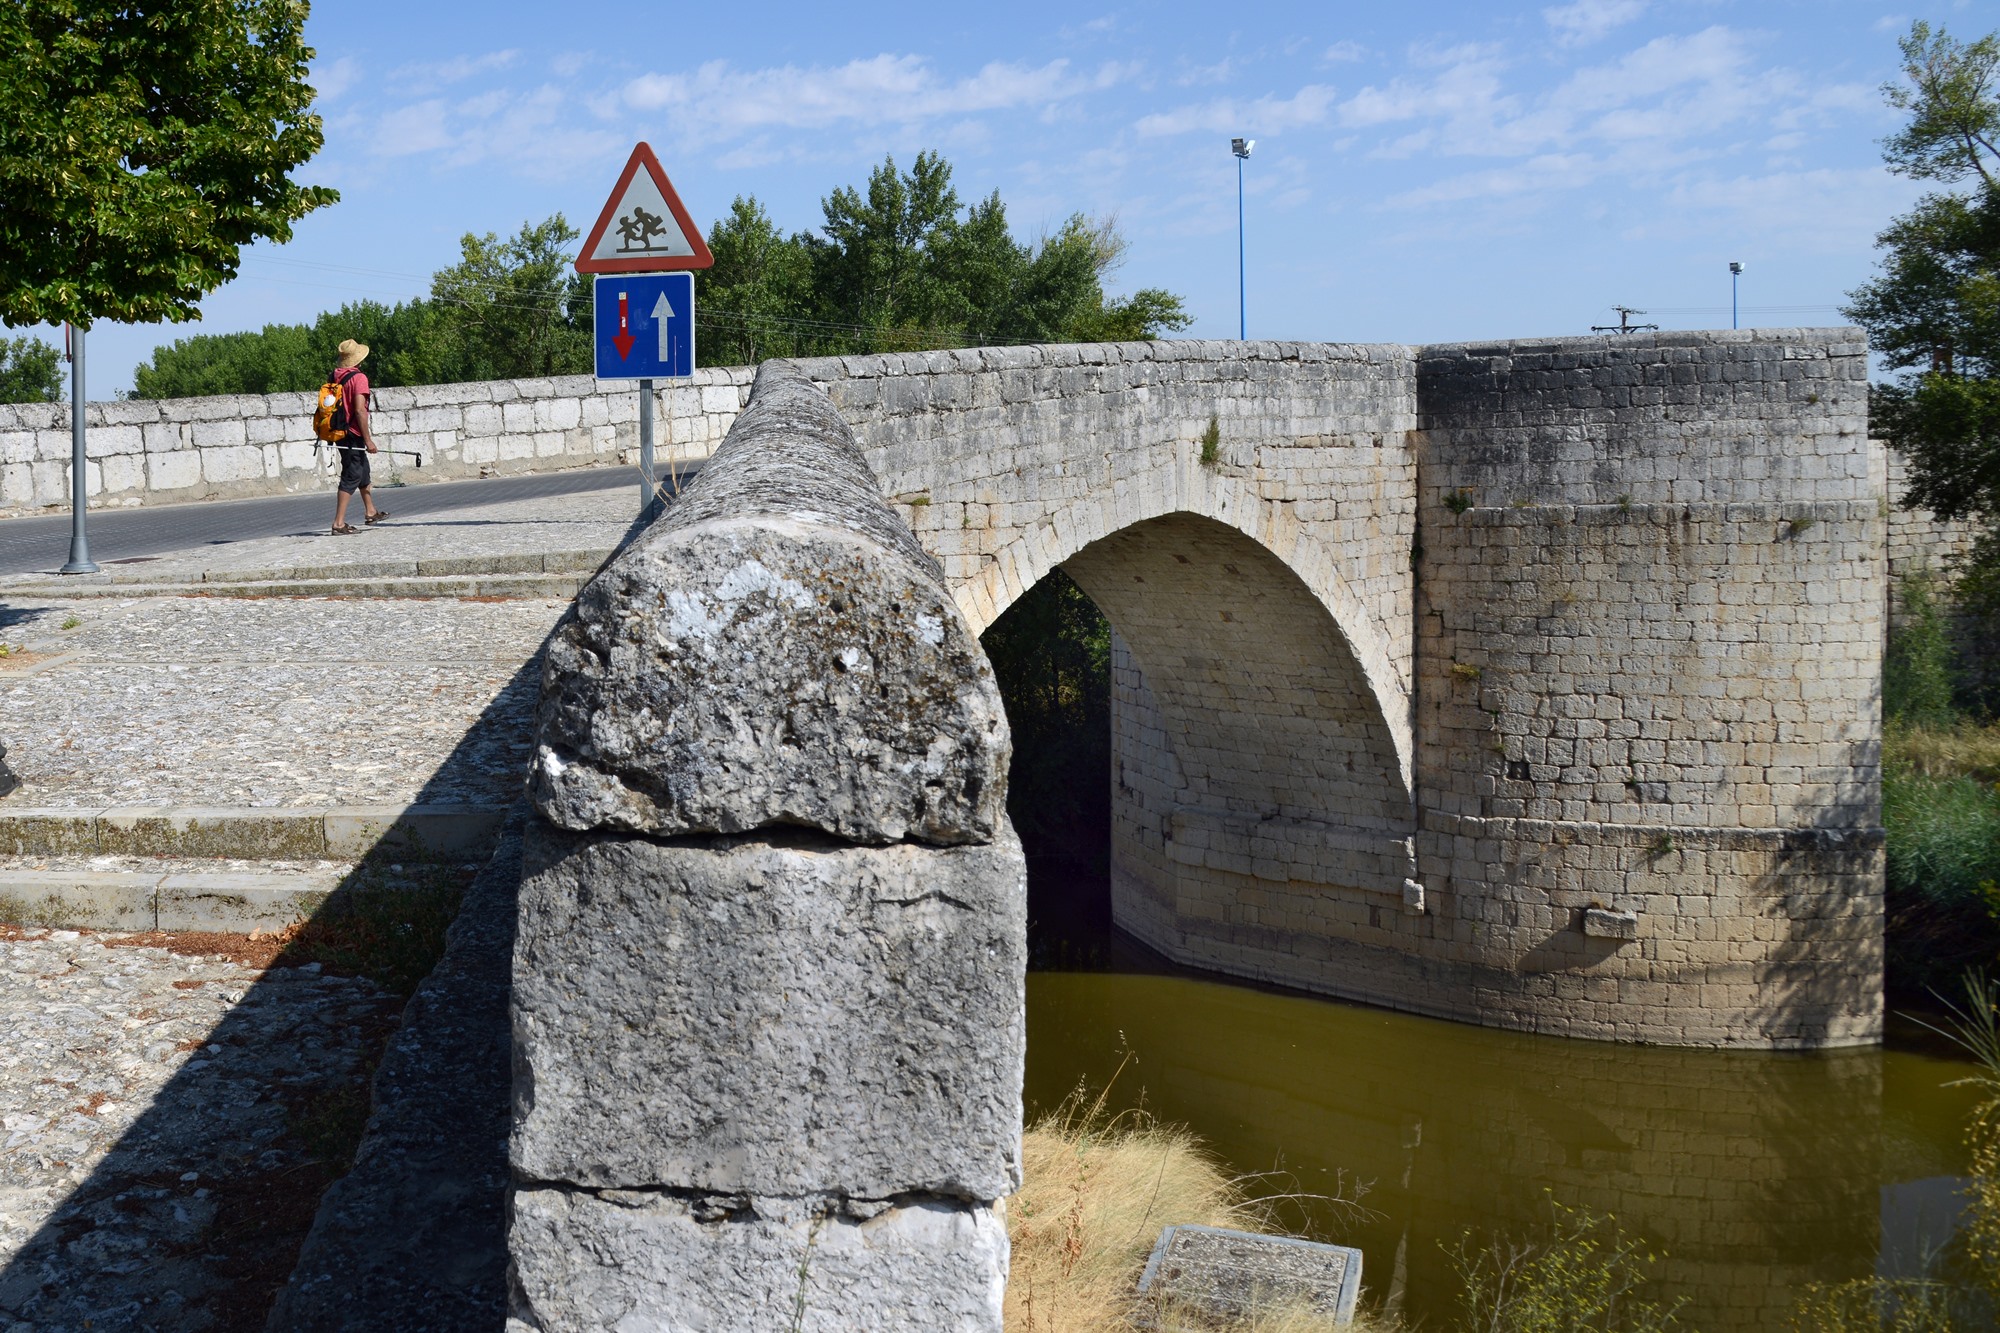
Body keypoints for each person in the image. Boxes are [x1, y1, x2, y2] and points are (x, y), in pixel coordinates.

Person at [328, 339, 389, 535]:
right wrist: (368, 439)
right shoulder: (359, 378)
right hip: (353, 433)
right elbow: (360, 411)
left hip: (339, 431)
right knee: (352, 474)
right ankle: (338, 523)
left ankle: (370, 511)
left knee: (362, 470)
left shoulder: (335, 375)